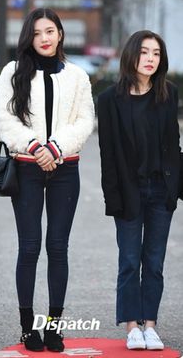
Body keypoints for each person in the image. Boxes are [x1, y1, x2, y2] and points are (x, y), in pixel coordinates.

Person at [0, 8, 94, 353]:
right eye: (37, 33)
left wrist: (55, 147)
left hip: (66, 168)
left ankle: (53, 327)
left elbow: (84, 122)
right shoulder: (13, 72)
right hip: (27, 167)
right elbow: (4, 119)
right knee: (30, 247)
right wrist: (36, 147)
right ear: (29, 38)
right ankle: (27, 328)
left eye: (50, 31)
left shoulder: (78, 75)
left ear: (61, 34)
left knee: (58, 248)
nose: (45, 38)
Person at [98, 30, 182, 351]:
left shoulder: (167, 93)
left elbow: (173, 145)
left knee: (156, 261)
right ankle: (132, 326)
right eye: (145, 52)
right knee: (130, 259)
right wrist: (113, 197)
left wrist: (174, 188)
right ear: (132, 55)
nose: (150, 59)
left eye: (156, 54)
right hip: (129, 191)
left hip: (161, 191)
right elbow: (108, 154)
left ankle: (151, 324)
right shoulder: (109, 100)